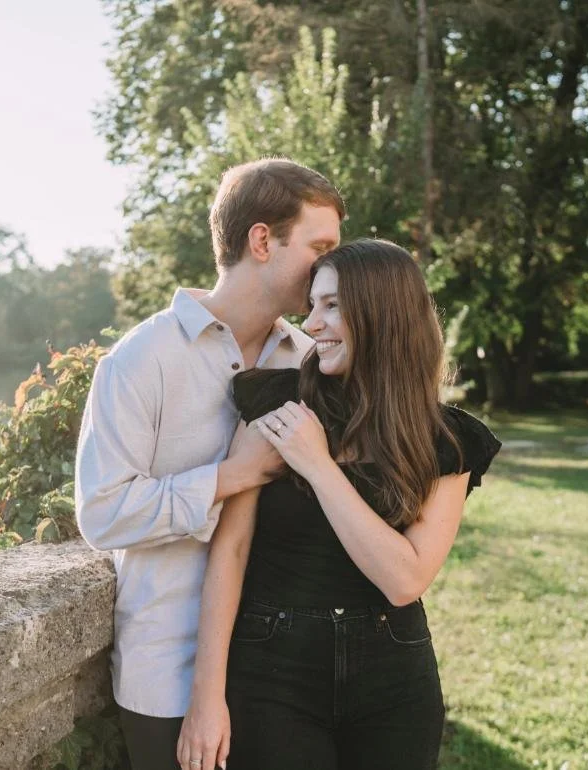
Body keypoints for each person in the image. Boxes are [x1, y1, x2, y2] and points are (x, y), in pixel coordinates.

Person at [176, 239, 502, 770]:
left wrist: (319, 466)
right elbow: (230, 552)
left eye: (332, 306)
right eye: (312, 306)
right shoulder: (277, 404)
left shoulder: (447, 442)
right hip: (270, 670)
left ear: (382, 313)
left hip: (393, 679)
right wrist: (206, 698)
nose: (312, 325)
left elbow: (404, 580)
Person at [74, 158, 345, 770]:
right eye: (319, 245)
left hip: (284, 669)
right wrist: (234, 475)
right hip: (167, 671)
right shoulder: (141, 360)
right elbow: (102, 513)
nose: (331, 266)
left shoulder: (310, 360)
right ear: (261, 241)